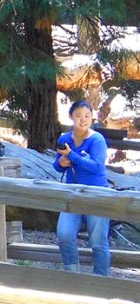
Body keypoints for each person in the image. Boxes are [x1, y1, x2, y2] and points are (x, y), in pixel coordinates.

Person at [54, 99, 111, 276]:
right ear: (71, 116)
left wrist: (72, 155)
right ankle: (72, 276)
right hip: (72, 194)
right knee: (64, 234)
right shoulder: (64, 138)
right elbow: (56, 165)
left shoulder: (97, 139)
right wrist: (62, 162)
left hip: (97, 194)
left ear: (92, 118)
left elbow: (96, 166)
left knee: (98, 242)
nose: (83, 120)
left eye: (87, 116)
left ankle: (100, 281)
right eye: (78, 115)